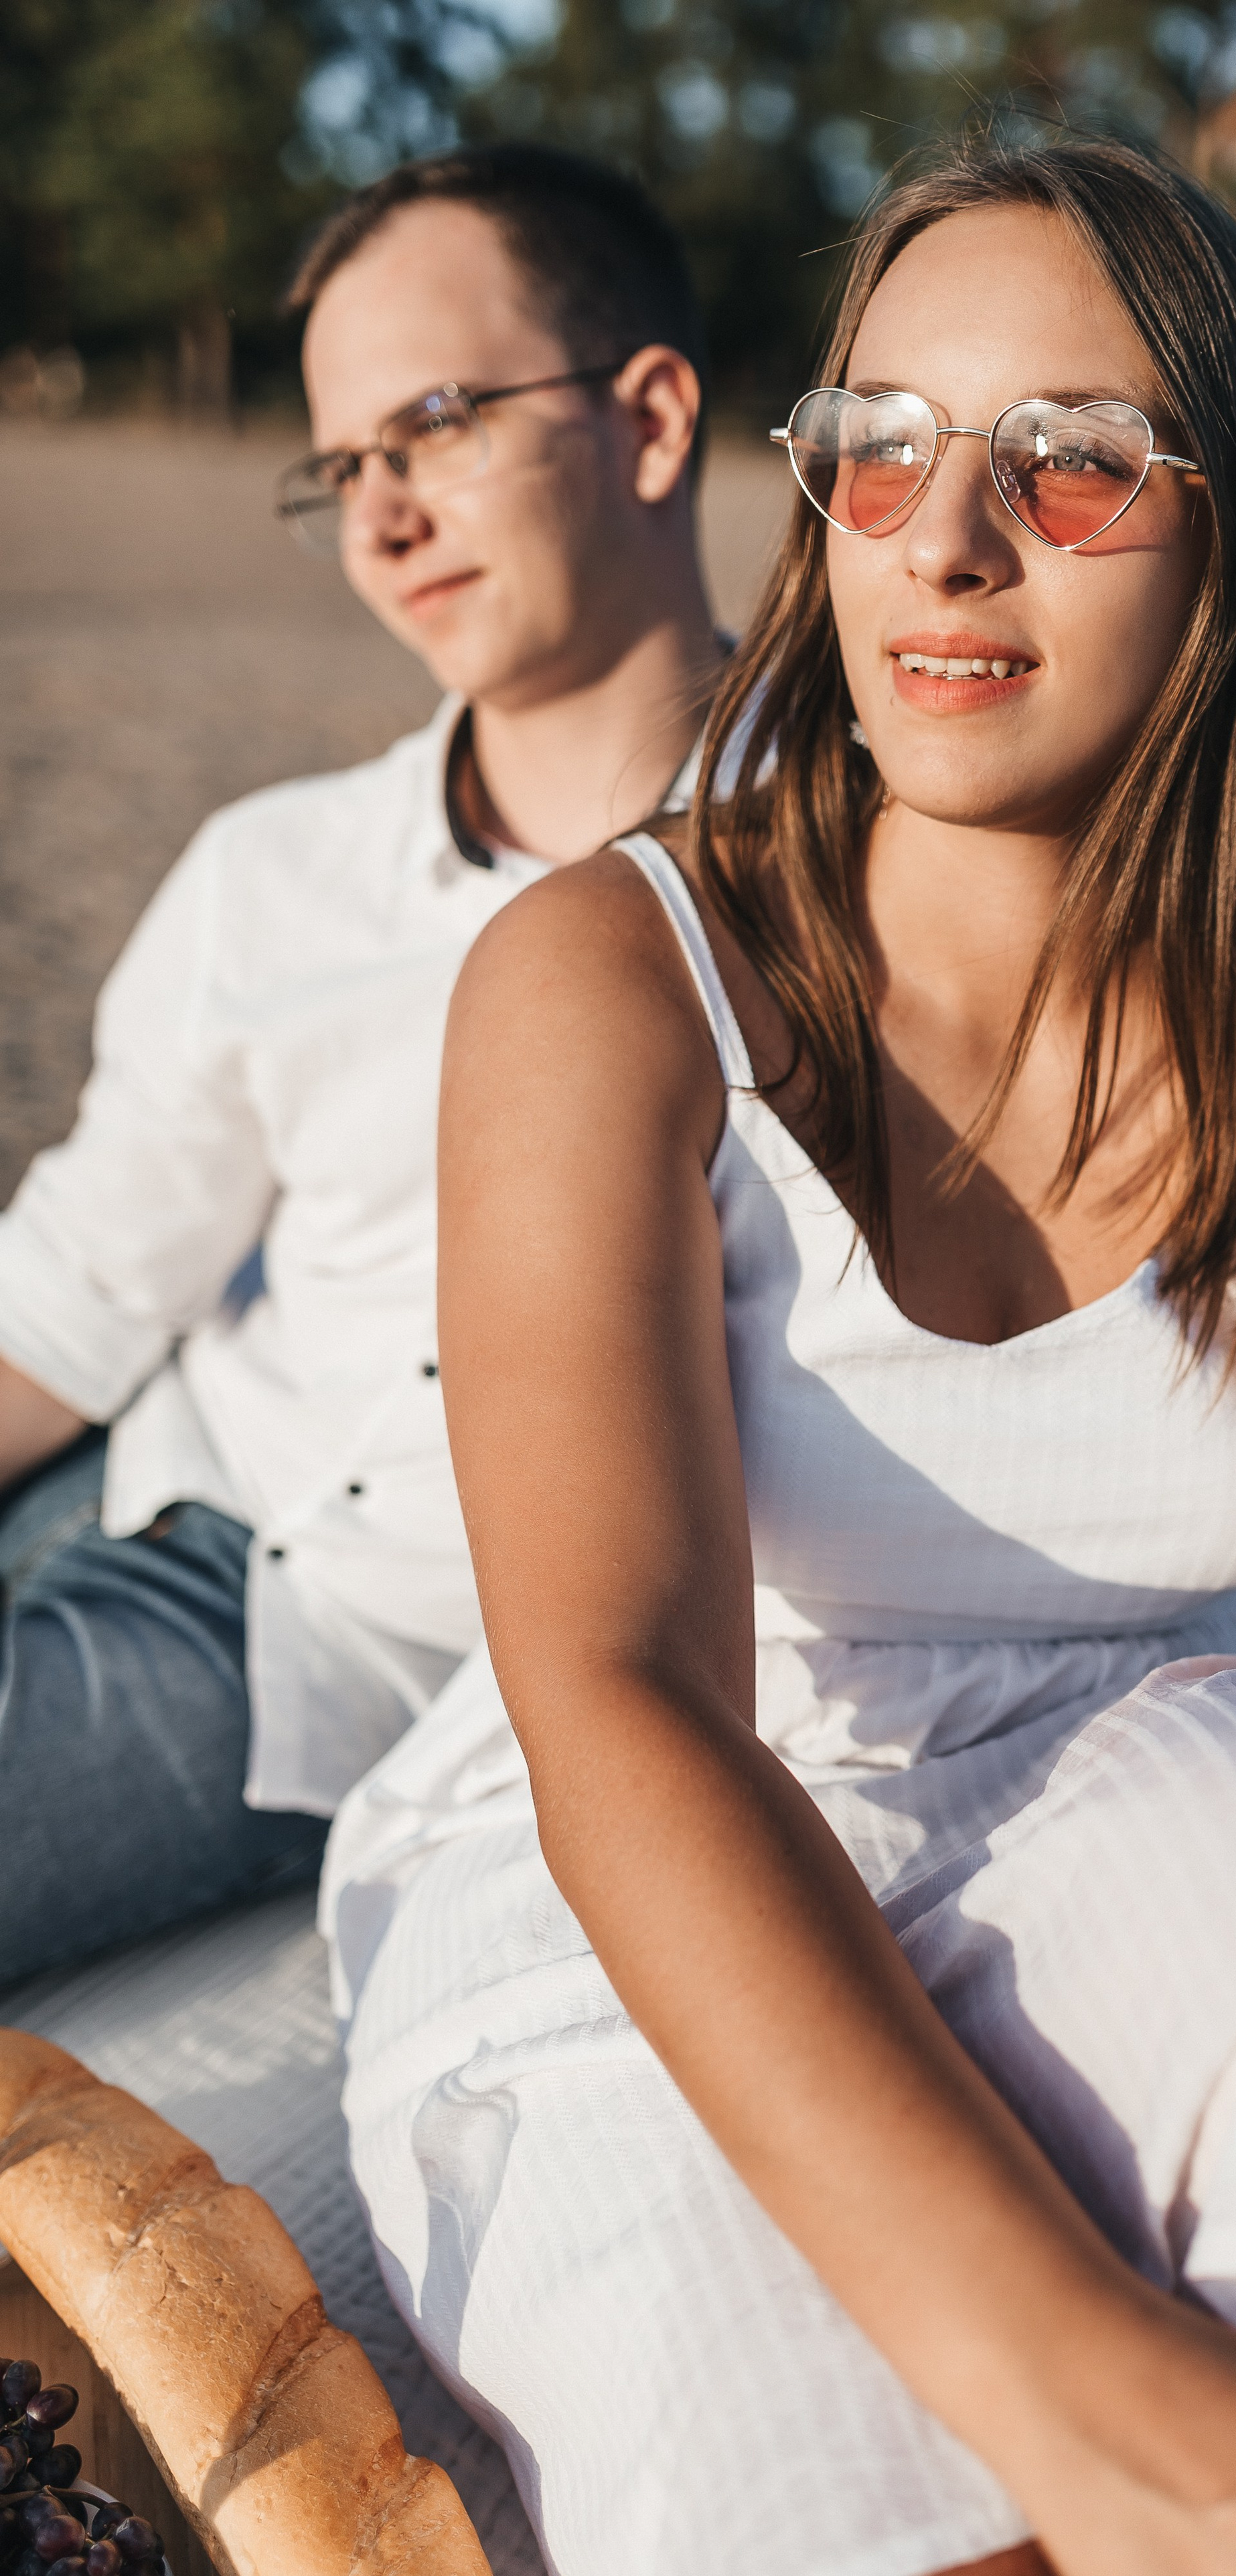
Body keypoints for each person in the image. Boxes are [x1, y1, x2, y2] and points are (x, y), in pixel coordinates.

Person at [323, 137, 1236, 2573]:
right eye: (880, 444)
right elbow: (626, 1698)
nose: (948, 540)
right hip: (662, 1843)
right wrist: (1105, 2398)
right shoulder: (608, 986)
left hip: (1176, 1777)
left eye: (1075, 461)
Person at [0, 144, 720, 1982]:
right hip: (149, 1470)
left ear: (648, 422)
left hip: (308, 1660)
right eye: (342, 470)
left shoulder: (878, 882)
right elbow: (81, 1284)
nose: (382, 520)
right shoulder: (276, 873)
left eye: (441, 424)